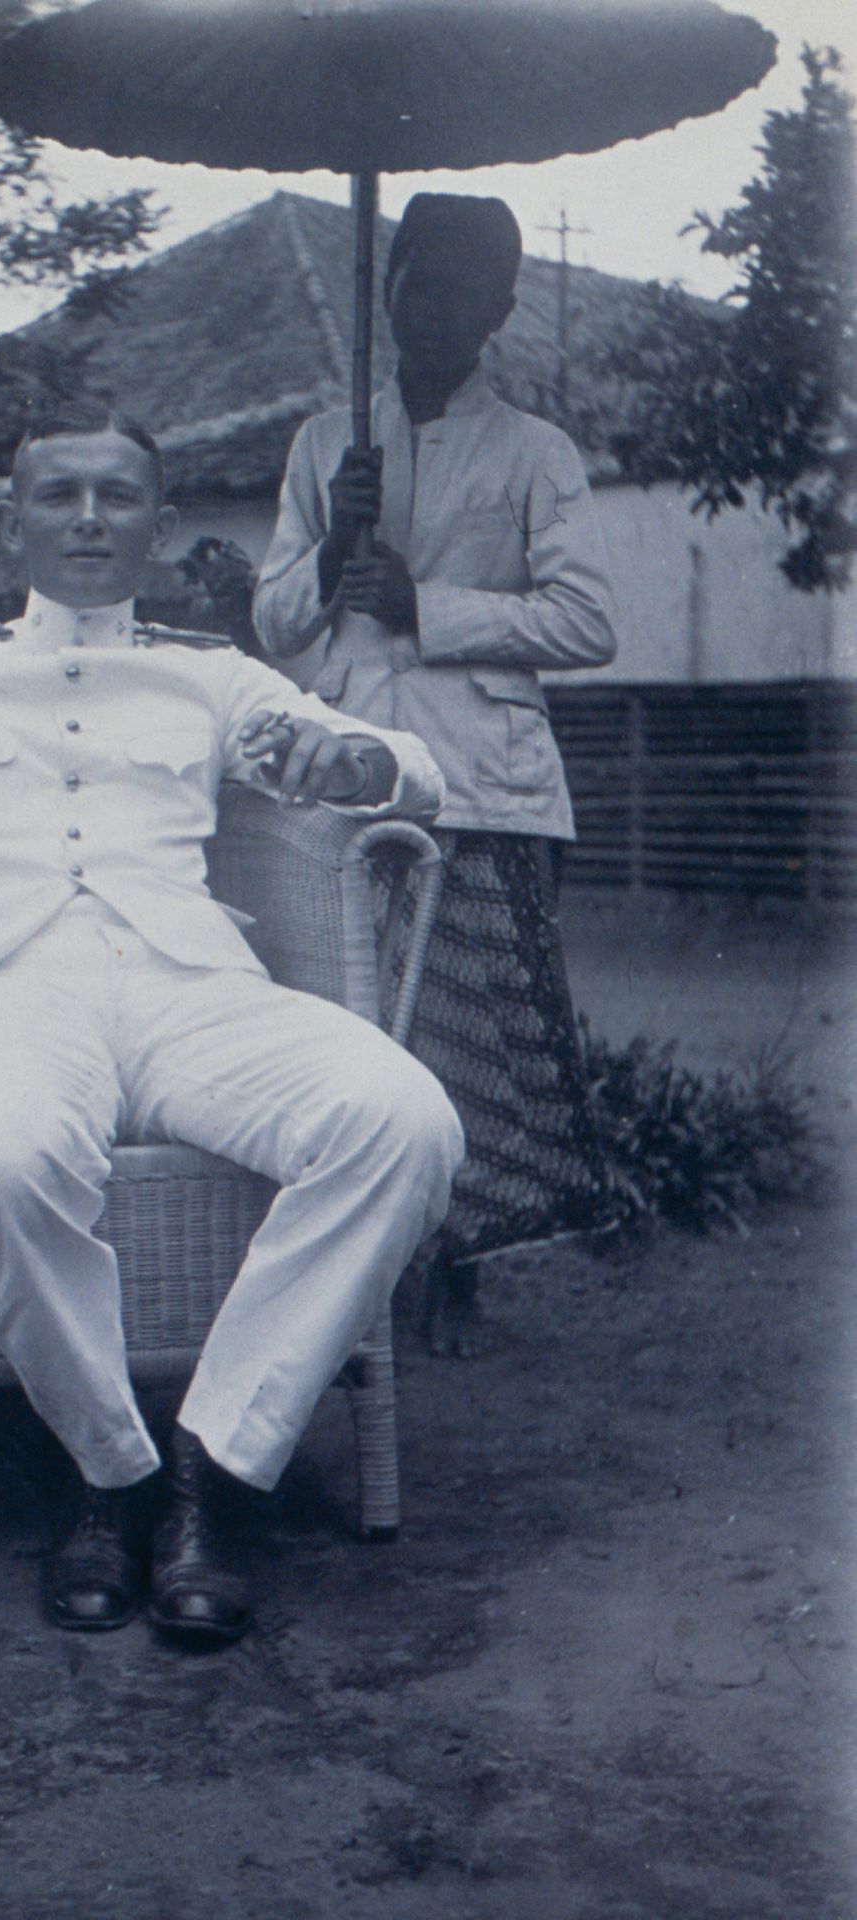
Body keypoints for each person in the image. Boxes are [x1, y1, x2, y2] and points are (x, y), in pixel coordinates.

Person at [0, 404, 464, 1645]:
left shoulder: (210, 675)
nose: (91, 518)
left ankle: (215, 1463)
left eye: (119, 496)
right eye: (61, 496)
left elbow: (414, 769)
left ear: (161, 527)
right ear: (14, 522)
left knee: (405, 1120)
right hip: (1, 987)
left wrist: (347, 764)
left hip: (188, 986)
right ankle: (113, 1469)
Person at [253, 193, 618, 1351]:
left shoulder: (535, 454)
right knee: (355, 1024)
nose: (434, 307)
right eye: (417, 279)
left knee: (466, 1035)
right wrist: (330, 544)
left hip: (484, 777)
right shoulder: (328, 445)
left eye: (465, 290)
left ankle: (456, 1257)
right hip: (354, 770)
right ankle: (368, 1260)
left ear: (499, 311)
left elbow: (585, 622)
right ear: (389, 284)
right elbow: (273, 624)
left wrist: (430, 606)